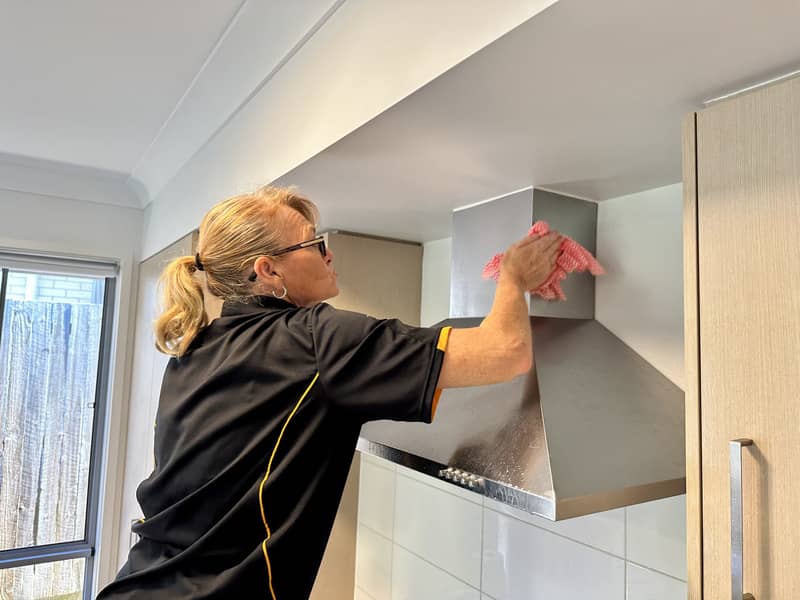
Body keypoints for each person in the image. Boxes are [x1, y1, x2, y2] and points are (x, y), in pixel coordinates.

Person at [97, 186, 562, 599]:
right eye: (315, 244)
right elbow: (507, 351)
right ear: (267, 269)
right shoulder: (314, 340)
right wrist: (515, 277)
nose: (329, 254)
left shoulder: (195, 347)